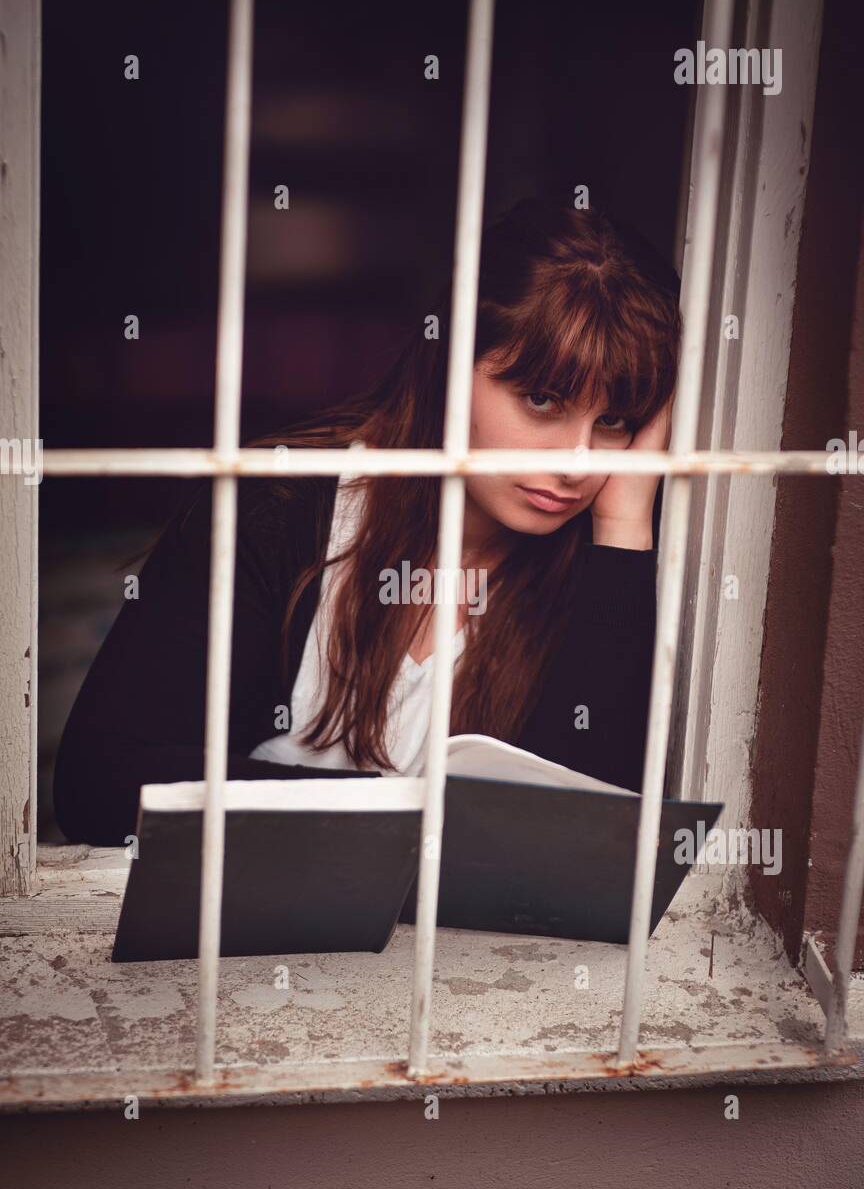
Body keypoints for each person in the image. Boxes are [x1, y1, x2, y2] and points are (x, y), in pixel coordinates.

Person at [54, 198, 681, 846]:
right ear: (447, 363)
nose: (578, 465)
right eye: (542, 400)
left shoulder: (607, 571)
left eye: (613, 421)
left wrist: (624, 527)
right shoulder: (277, 510)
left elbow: (585, 849)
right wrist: (413, 821)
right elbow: (99, 783)